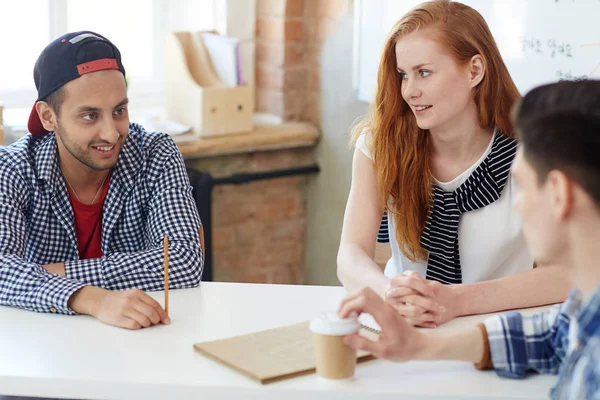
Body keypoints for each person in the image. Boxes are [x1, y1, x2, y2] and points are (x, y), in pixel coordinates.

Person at [339, 80, 600, 399]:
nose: (517, 203)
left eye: (524, 185)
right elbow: (550, 334)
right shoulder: (583, 312)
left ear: (560, 194)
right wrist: (421, 346)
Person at [337, 0, 569, 327]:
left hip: (500, 333)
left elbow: (566, 273)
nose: (409, 91)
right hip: (405, 326)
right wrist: (389, 292)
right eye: (403, 75)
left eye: (424, 73)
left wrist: (455, 301)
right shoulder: (379, 145)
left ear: (474, 70)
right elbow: (349, 255)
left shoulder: (532, 153)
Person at [0, 31, 203, 330]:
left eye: (119, 110)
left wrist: (47, 273)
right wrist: (92, 299)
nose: (112, 133)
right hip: (46, 344)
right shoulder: (12, 167)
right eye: (89, 116)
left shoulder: (156, 153)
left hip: (143, 339)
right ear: (48, 117)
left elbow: (183, 260)